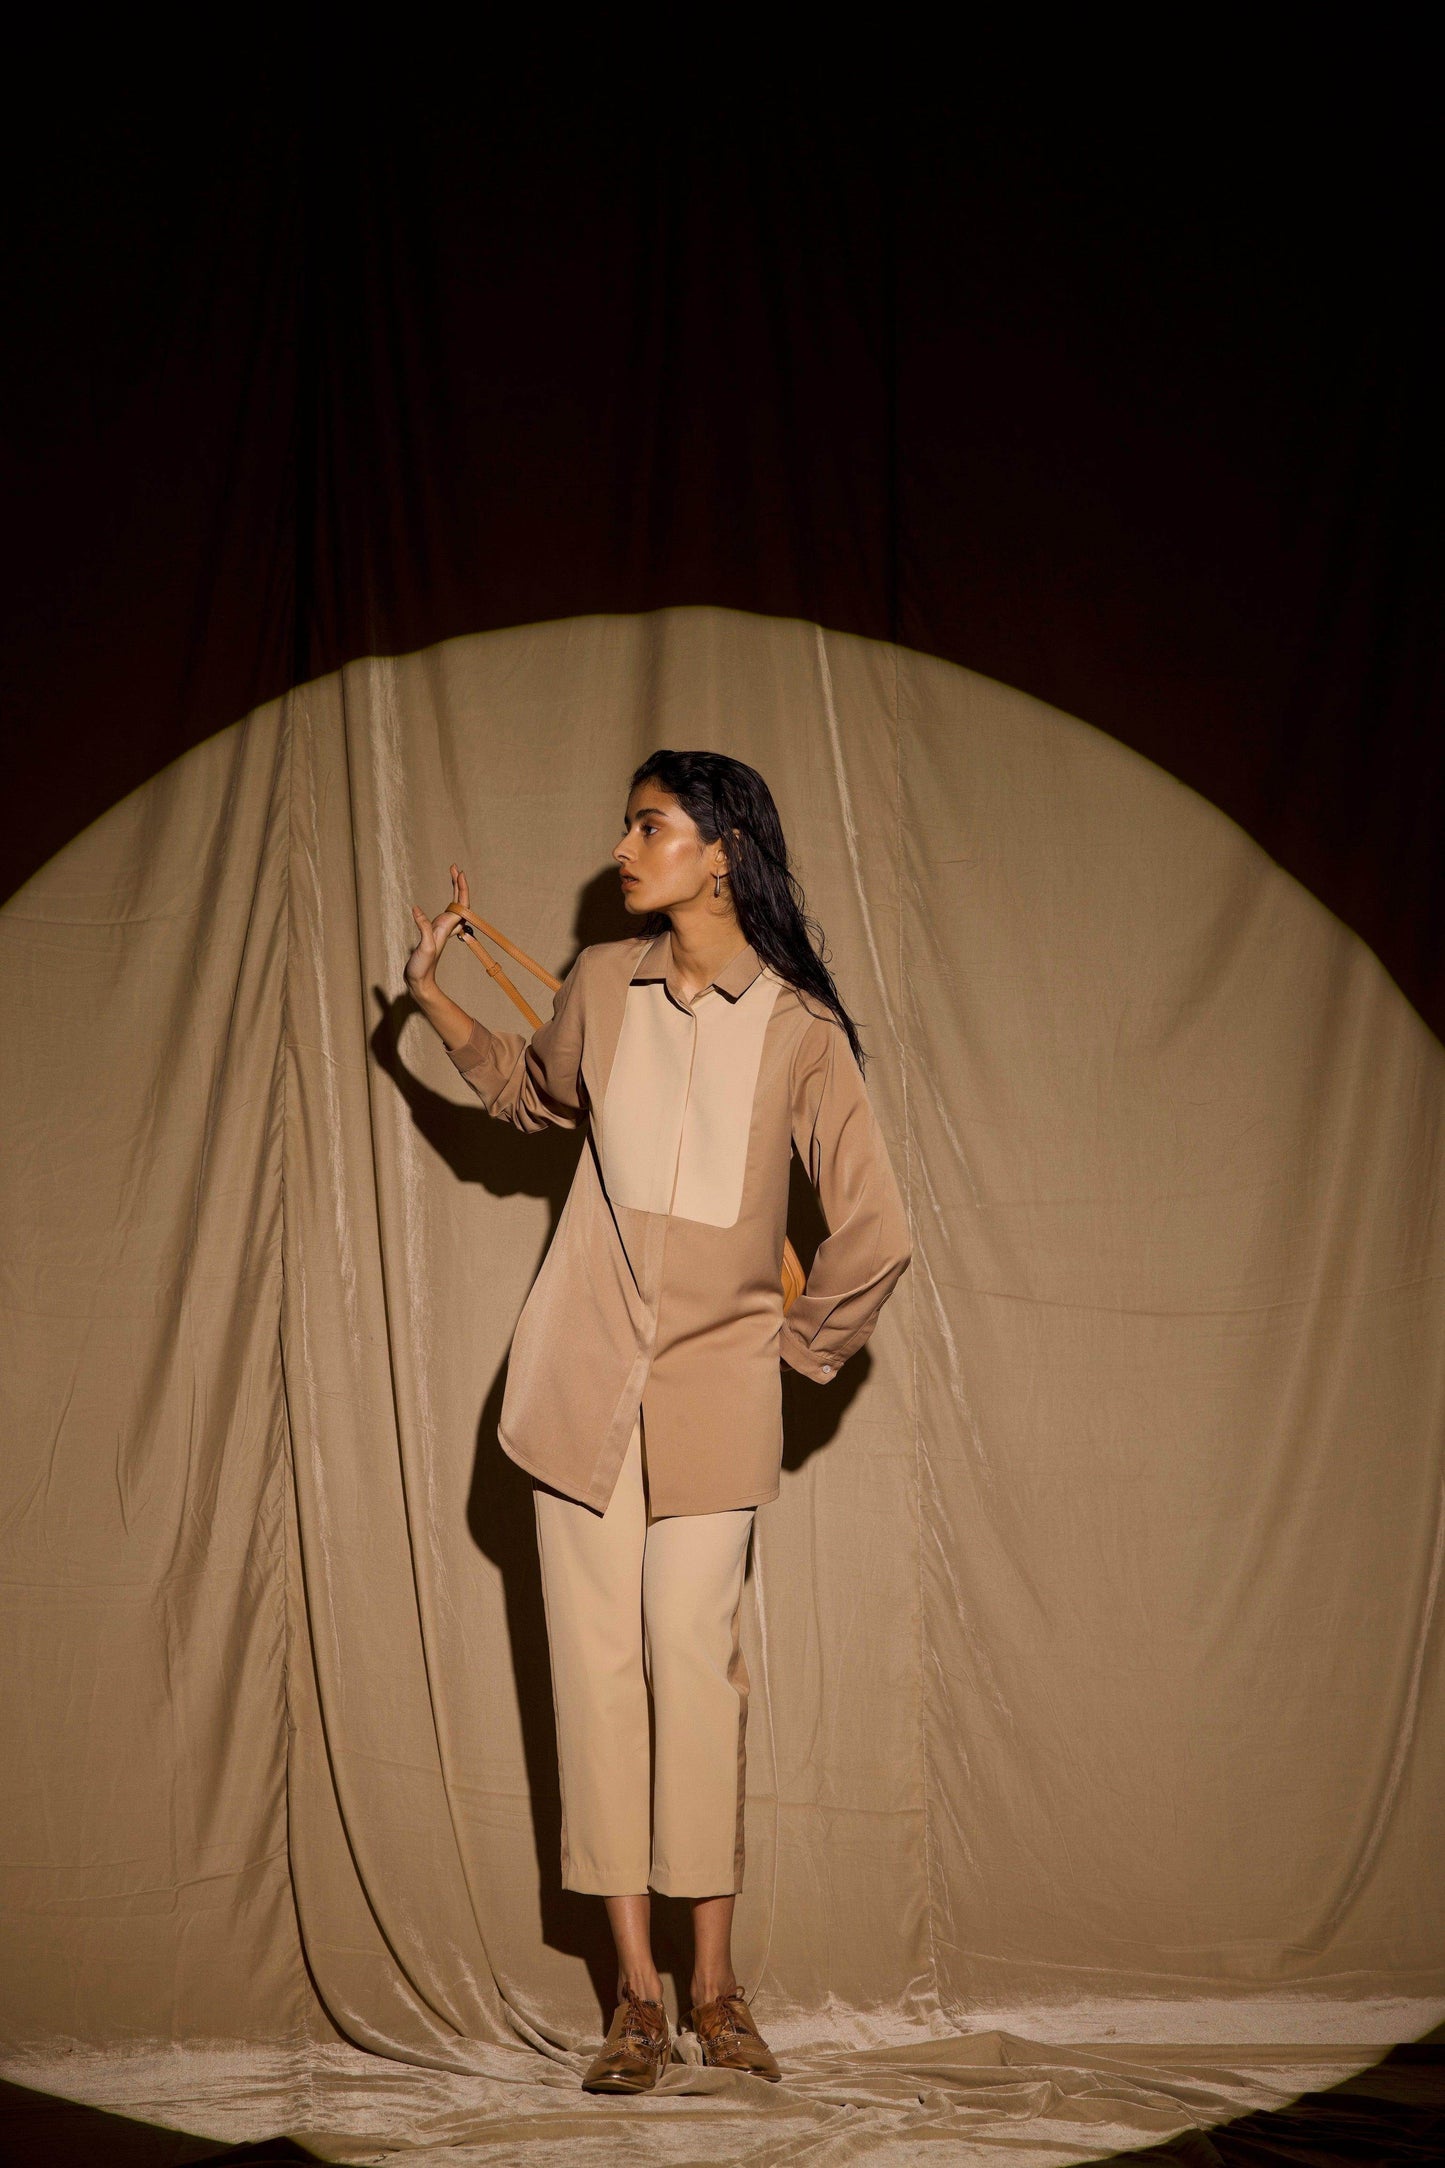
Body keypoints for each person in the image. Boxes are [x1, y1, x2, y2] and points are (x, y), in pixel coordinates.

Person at [404, 749, 912, 2093]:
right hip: (577, 1385)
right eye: (628, 827)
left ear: (721, 850)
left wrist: (785, 1355)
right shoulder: (601, 985)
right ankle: (635, 1999)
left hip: (712, 1398)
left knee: (696, 1675)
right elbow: (530, 1095)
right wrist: (433, 998)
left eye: (649, 826)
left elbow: (875, 1229)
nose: (623, 851)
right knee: (593, 1674)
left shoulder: (799, 1029)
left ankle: (718, 1991)